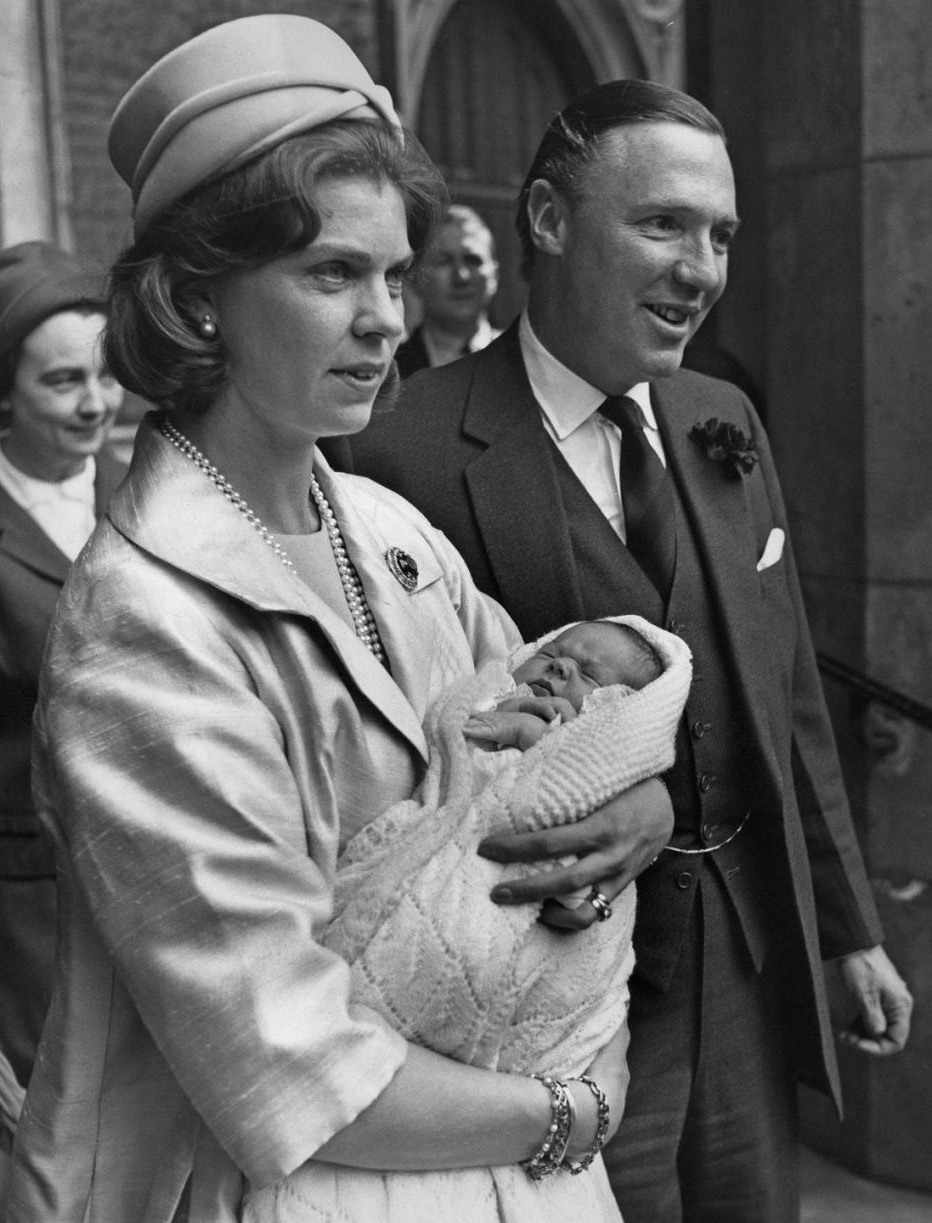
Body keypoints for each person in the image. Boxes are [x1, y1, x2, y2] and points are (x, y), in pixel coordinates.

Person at [6, 18, 670, 1223]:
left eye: (394, 275)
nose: (382, 318)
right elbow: (293, 1068)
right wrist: (575, 1105)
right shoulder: (139, 624)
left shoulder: (386, 528)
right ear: (200, 299)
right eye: (330, 274)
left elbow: (546, 756)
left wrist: (635, 802)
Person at [340, 78, 914, 1222]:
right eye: (663, 224)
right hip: (545, 1004)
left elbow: (785, 687)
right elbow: (393, 781)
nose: (701, 269)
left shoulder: (721, 419)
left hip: (746, 970)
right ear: (549, 221)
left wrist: (849, 930)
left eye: (721, 236)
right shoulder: (399, 450)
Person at [248, 614, 690, 1222]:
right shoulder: (480, 699)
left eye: (590, 676)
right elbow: (445, 766)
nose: (562, 668)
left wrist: (584, 774)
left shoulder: (603, 787)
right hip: (358, 1028)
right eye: (555, 654)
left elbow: (575, 899)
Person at [0, 241, 125, 1087]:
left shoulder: (150, 497)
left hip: (165, 888)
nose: (96, 402)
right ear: (0, 392)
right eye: (62, 381)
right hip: (22, 918)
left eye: (105, 375)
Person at [395, 204, 501, 376]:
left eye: (472, 260)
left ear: (494, 276)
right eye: (443, 261)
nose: (461, 276)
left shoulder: (526, 363)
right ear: (415, 278)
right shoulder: (389, 371)